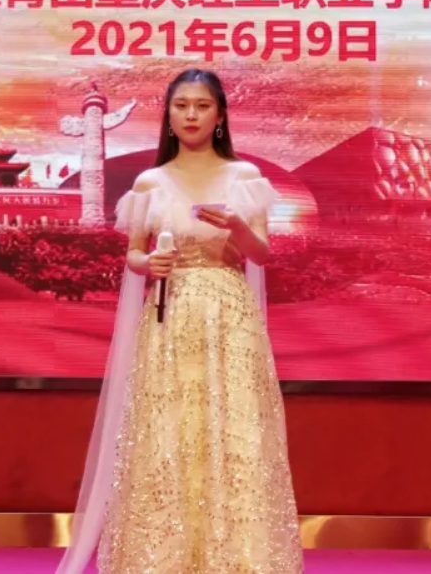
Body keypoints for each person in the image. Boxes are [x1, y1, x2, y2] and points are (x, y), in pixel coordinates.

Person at [57, 68, 304, 574]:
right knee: (168, 428)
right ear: (168, 115)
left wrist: (236, 226)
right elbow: (134, 253)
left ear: (220, 116)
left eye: (202, 106)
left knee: (232, 427)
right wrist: (149, 264)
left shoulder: (244, 177)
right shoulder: (150, 182)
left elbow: (262, 253)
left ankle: (237, 559)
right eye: (181, 105)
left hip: (228, 314)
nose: (191, 115)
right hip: (169, 315)